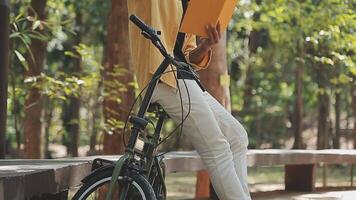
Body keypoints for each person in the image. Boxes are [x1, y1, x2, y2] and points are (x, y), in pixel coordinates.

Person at [127, 1, 251, 199]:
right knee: (217, 147)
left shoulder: (190, 6)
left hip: (185, 77)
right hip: (162, 77)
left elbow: (188, 55)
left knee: (237, 137)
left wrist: (206, 45)